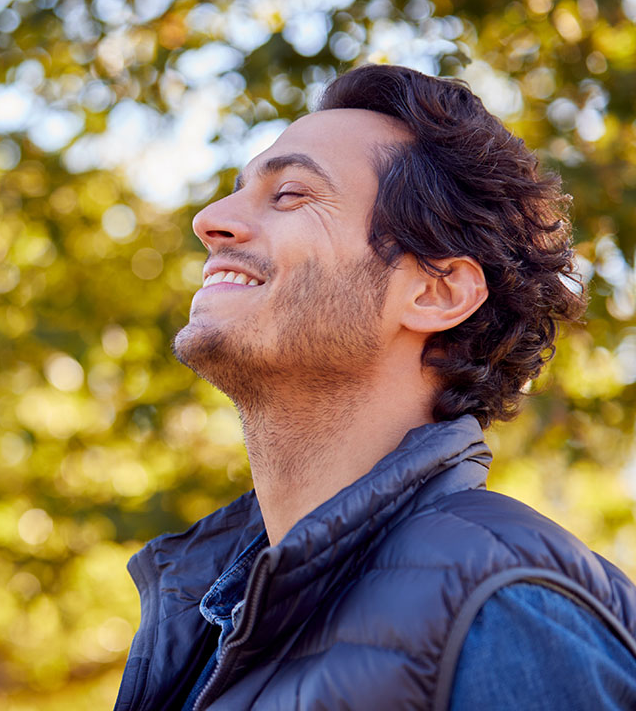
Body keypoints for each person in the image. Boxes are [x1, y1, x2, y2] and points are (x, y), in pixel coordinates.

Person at [114, 65, 636, 710]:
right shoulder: (204, 620)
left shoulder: (505, 605)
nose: (209, 220)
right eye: (237, 190)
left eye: (292, 195)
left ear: (434, 292)